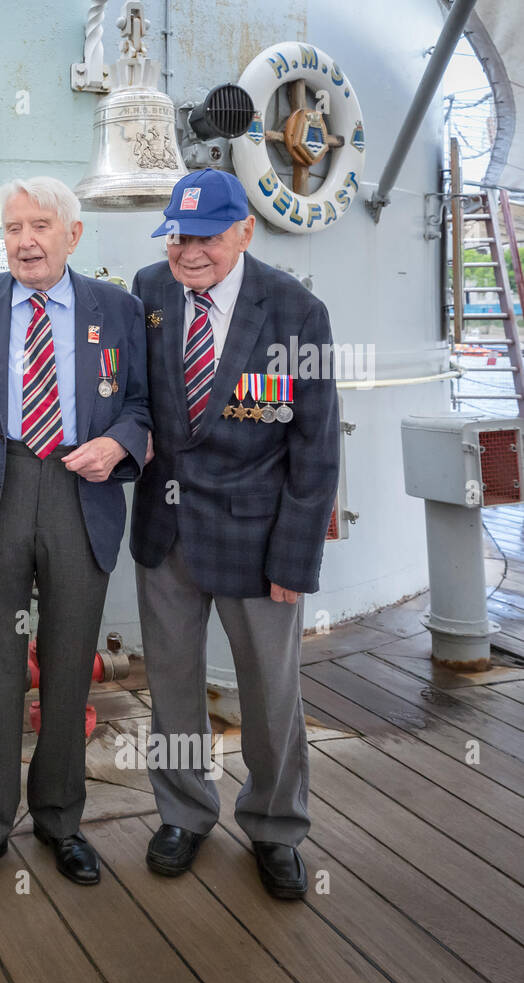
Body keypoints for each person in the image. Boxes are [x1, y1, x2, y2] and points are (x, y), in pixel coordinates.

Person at [0, 176, 150, 900]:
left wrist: (118, 445)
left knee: (67, 660)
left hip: (82, 492)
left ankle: (59, 819)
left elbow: (143, 405)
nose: (24, 240)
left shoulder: (117, 308)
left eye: (40, 226)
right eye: (13, 226)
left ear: (73, 235)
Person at [130, 168, 339, 899]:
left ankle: (277, 826)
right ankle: (184, 811)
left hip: (258, 540)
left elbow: (315, 449)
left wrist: (297, 555)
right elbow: (133, 399)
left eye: (208, 237)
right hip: (167, 532)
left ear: (245, 231)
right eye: (179, 236)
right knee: (173, 687)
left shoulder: (294, 311)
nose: (189, 253)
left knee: (271, 695)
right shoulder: (148, 293)